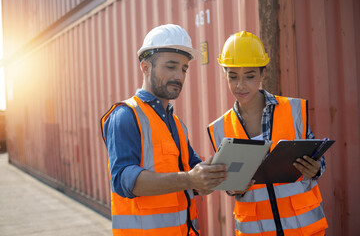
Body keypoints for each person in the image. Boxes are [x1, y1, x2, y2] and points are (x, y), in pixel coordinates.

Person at [100, 24, 227, 236]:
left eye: (184, 68)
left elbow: (193, 178)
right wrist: (190, 179)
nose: (179, 75)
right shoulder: (125, 115)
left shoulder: (176, 123)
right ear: (145, 67)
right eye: (171, 66)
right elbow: (125, 180)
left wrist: (214, 176)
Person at [207, 31, 328, 235]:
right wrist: (233, 187)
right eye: (233, 76)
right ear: (225, 75)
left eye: (250, 76)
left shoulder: (293, 110)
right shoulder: (220, 128)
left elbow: (319, 162)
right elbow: (228, 182)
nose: (240, 85)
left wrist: (315, 169)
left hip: (303, 229)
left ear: (262, 74)